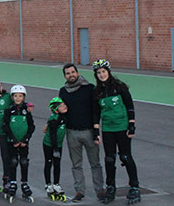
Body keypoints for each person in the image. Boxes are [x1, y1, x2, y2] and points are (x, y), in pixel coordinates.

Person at [91, 59, 141, 205]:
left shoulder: (120, 87)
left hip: (122, 127)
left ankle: (134, 187)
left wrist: (131, 125)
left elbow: (130, 106)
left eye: (103, 72)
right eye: (98, 73)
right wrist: (96, 131)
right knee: (109, 159)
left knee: (125, 157)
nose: (101, 75)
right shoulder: (97, 91)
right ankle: (111, 187)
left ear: (108, 72)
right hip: (108, 128)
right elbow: (96, 113)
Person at [59, 63, 105, 203]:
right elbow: (60, 111)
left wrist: (96, 130)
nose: (71, 75)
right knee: (76, 164)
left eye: (73, 72)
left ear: (77, 73)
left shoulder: (89, 88)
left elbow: (96, 110)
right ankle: (80, 191)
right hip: (72, 132)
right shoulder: (63, 91)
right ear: (65, 76)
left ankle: (100, 190)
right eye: (68, 73)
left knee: (95, 163)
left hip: (89, 132)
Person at [2, 84, 35, 203]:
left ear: (24, 97)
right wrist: (13, 139)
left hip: (24, 142)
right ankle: (13, 182)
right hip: (12, 142)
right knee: (13, 161)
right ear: (12, 97)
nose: (18, 98)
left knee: (24, 161)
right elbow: (5, 126)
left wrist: (26, 139)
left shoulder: (27, 110)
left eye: (20, 96)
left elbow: (31, 126)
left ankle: (24, 183)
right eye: (15, 96)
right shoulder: (9, 110)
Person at [43, 97, 68, 202]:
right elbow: (53, 135)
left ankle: (56, 184)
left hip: (58, 145)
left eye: (64, 104)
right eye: (61, 106)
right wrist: (55, 148)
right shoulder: (54, 119)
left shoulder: (64, 116)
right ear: (56, 109)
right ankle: (48, 184)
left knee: (57, 164)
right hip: (49, 145)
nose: (65, 106)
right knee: (49, 162)